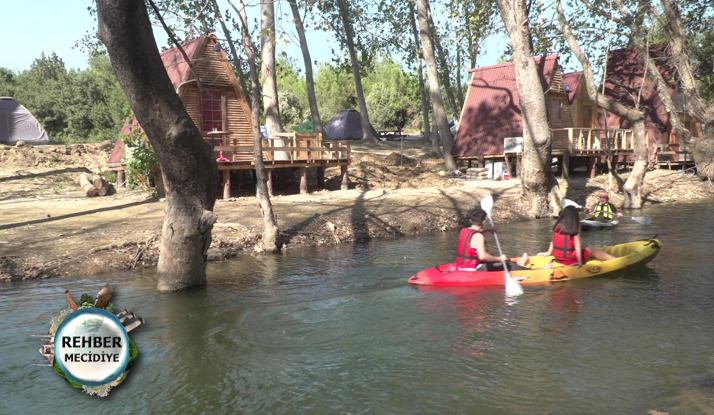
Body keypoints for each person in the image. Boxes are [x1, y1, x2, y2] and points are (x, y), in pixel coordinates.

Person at [537, 206, 616, 267]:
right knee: (591, 249)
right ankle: (614, 259)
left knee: (586, 251)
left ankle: (610, 256)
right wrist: (579, 262)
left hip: (558, 258)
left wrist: (548, 253)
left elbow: (553, 241)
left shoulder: (558, 225)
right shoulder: (576, 226)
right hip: (570, 260)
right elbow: (577, 245)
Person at [456, 209, 529, 271]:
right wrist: (499, 259)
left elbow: (472, 237)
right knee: (507, 264)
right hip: (473, 269)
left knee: (496, 258)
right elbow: (483, 257)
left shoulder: (463, 231)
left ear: (470, 221)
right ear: (483, 222)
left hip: (462, 266)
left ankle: (518, 263)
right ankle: (523, 266)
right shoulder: (479, 236)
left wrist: (487, 230)